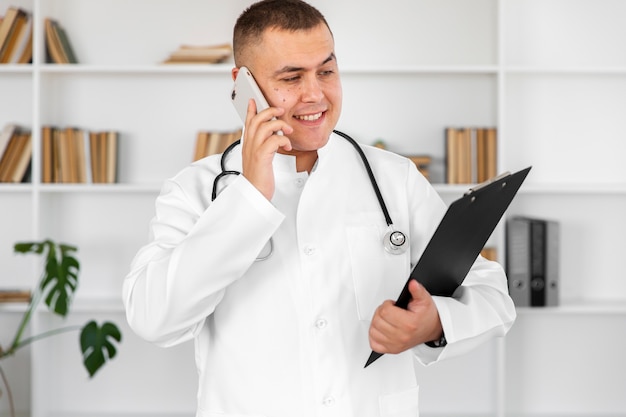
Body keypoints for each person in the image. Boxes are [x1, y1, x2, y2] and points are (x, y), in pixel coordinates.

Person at [122, 1, 516, 416]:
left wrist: (434, 323)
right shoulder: (197, 190)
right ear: (242, 85)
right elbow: (154, 319)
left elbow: (493, 295)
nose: (316, 94)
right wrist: (250, 198)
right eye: (291, 77)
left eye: (326, 71)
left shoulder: (392, 178)